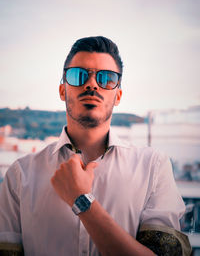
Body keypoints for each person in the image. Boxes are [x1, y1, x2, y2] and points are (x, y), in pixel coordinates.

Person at [0, 36, 191, 256]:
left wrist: (81, 200)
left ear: (117, 95)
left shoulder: (153, 168)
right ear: (62, 91)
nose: (91, 84)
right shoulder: (19, 175)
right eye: (78, 75)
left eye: (107, 78)